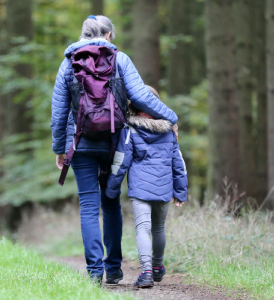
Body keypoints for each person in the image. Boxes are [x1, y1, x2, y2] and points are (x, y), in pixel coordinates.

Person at [51, 15, 179, 284]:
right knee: (111, 204)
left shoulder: (68, 63)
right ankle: (114, 268)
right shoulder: (120, 59)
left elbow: (59, 112)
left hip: (81, 143)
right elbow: (142, 96)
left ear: (83, 34)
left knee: (88, 205)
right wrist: (171, 117)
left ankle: (95, 273)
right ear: (109, 34)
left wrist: (59, 148)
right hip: (115, 143)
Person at [105, 87, 188, 288]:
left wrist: (111, 188)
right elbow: (179, 163)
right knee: (159, 228)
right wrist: (180, 191)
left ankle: (147, 272)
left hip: (140, 189)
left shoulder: (130, 129)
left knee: (143, 229)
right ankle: (158, 267)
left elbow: (121, 161)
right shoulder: (169, 130)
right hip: (164, 187)